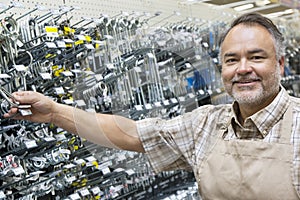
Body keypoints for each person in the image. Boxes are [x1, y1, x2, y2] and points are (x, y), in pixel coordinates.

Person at [4, 12, 300, 199]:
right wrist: (55, 112)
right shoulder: (206, 124)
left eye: (256, 57)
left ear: (282, 65)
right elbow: (129, 133)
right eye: (232, 60)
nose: (243, 69)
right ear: (222, 69)